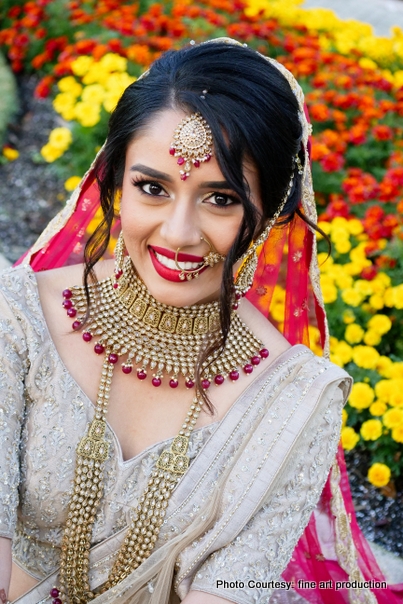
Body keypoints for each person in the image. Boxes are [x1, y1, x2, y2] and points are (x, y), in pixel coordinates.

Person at [0, 38, 397, 604]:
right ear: (114, 184)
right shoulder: (17, 319)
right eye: (152, 188)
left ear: (268, 213)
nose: (179, 234)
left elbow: (234, 588)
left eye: (221, 199)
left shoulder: (294, 401)